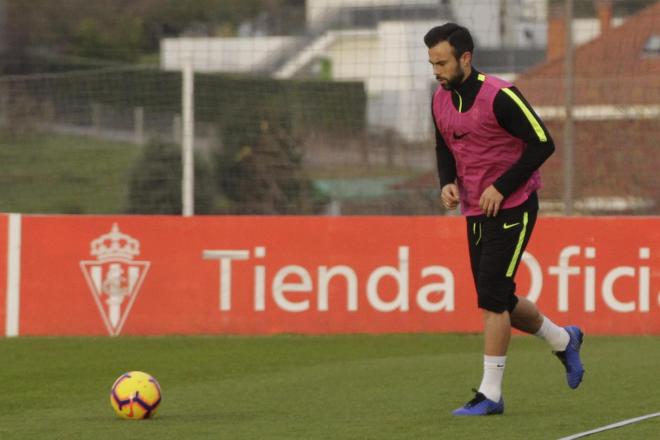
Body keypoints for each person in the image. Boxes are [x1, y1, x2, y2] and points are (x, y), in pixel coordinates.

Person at [424, 23, 584, 416]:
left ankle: (491, 394)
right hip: (475, 210)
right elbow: (444, 144)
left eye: (442, 62)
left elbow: (543, 142)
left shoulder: (501, 95)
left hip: (513, 206)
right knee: (498, 298)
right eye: (432, 63)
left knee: (492, 297)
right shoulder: (440, 100)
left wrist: (502, 185)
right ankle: (563, 340)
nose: (437, 71)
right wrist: (448, 182)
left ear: (466, 58)